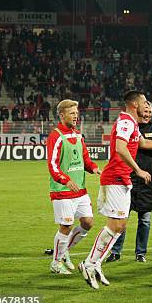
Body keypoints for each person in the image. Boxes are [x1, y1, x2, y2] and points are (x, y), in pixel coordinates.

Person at [79, 91, 152, 290]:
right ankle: (90, 263)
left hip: (123, 179)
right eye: (144, 101)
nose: (147, 105)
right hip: (116, 178)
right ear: (135, 104)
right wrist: (138, 169)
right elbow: (120, 147)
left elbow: (143, 143)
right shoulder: (126, 122)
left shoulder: (132, 123)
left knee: (120, 226)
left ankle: (96, 263)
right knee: (114, 225)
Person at [107, 102, 152, 262]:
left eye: (150, 111)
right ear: (139, 110)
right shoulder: (130, 126)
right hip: (129, 178)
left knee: (145, 219)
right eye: (145, 110)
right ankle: (115, 251)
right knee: (122, 217)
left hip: (148, 181)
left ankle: (140, 253)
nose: (147, 114)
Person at [47, 99, 101, 275]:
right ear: (62, 115)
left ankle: (64, 252)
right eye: (72, 113)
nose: (76, 116)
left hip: (80, 190)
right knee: (66, 226)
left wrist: (93, 167)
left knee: (88, 222)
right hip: (63, 191)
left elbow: (85, 158)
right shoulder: (55, 136)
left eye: (77, 113)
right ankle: (56, 263)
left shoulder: (77, 134)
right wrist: (65, 180)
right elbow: (53, 165)